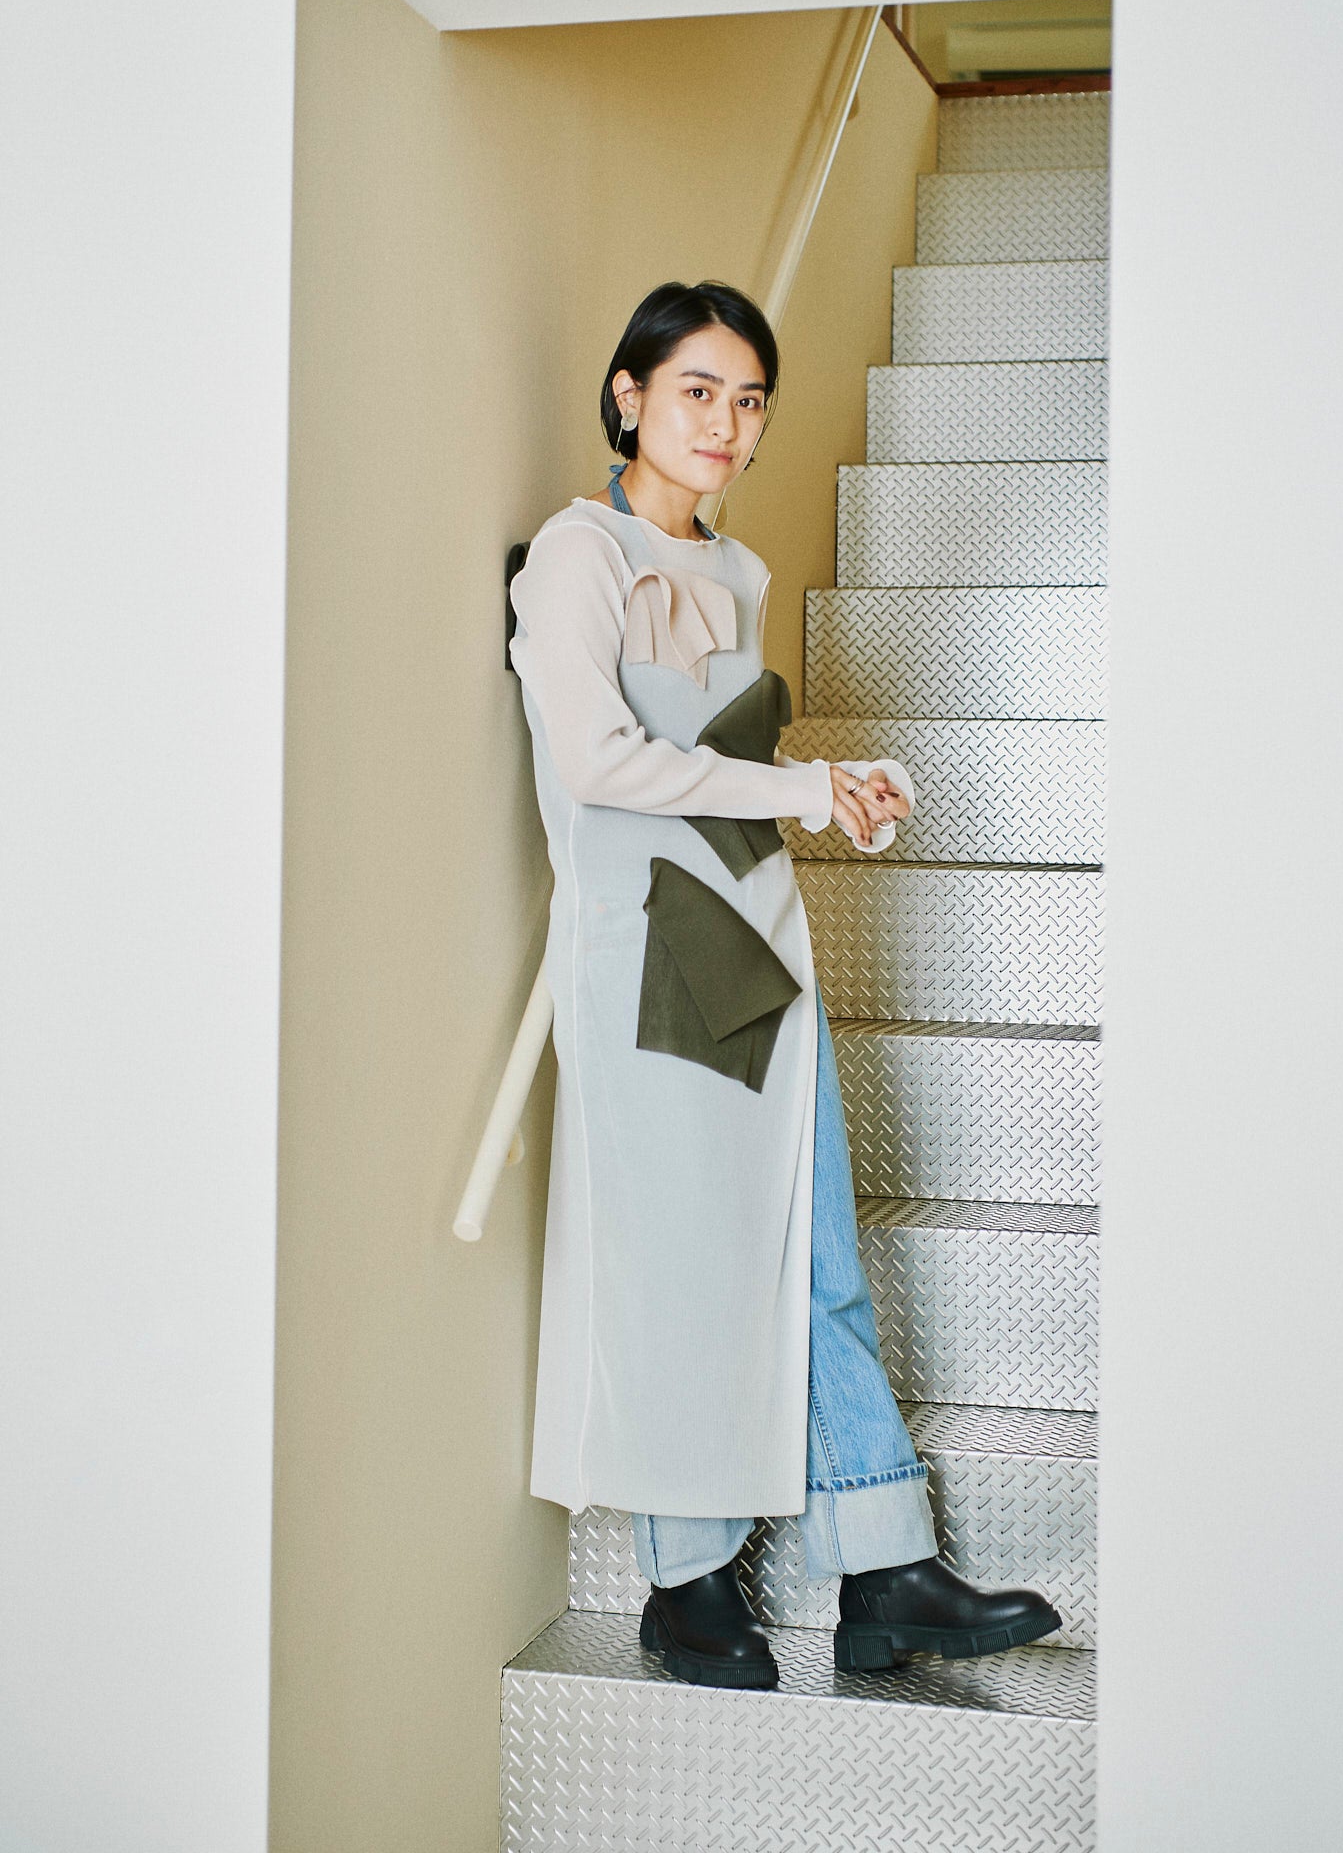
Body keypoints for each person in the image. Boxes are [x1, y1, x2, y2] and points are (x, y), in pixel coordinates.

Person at [507, 279, 1061, 1689]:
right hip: (650, 959)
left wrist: (831, 794)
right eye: (697, 390)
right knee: (682, 1266)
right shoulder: (577, 556)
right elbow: (599, 764)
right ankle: (686, 1584)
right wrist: (805, 787)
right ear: (630, 396)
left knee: (815, 1254)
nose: (726, 423)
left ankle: (885, 1565)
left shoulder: (741, 571)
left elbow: (725, 777)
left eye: (749, 399)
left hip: (757, 939)